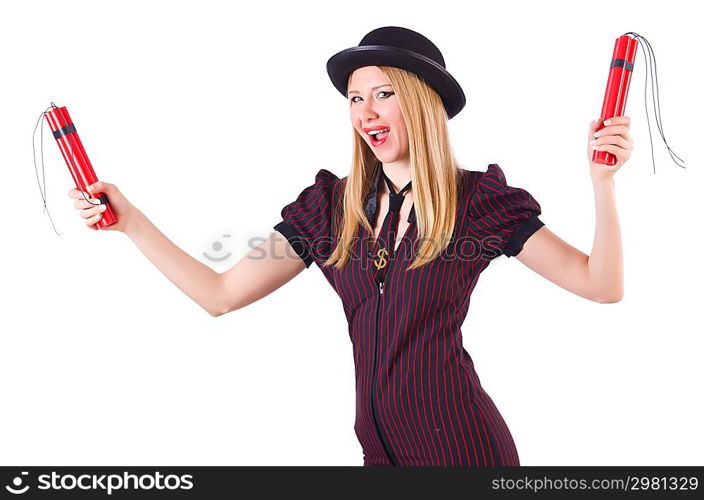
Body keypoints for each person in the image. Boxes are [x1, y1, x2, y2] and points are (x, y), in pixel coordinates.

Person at [67, 26, 632, 466]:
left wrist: (601, 185)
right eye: (356, 98)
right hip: (379, 456)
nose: (366, 112)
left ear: (422, 103)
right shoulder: (329, 210)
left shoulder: (478, 203)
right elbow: (220, 294)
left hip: (464, 452)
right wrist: (132, 223)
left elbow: (600, 285)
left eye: (383, 94)